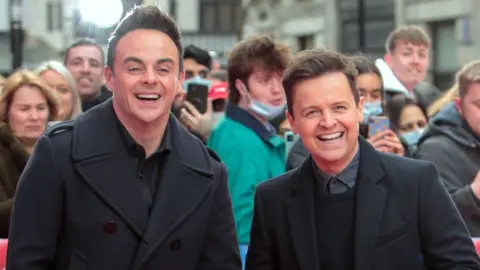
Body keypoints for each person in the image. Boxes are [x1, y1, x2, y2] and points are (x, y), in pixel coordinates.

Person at [7, 5, 241, 270]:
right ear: (110, 76)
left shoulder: (209, 171)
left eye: (163, 69)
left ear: (179, 80)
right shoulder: (58, 155)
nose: (150, 79)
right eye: (134, 68)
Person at [245, 48, 480, 270]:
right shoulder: (272, 199)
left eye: (339, 107)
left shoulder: (416, 182)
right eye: (312, 112)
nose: (328, 122)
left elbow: (461, 264)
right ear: (293, 121)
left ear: (359, 109)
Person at [208, 35, 290, 268]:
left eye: (280, 79)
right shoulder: (241, 140)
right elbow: (242, 223)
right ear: (241, 87)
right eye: (264, 81)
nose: (276, 90)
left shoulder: (247, 131)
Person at [415, 60, 480, 236]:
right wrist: (473, 194)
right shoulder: (436, 149)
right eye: (479, 105)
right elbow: (426, 217)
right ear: (459, 106)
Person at [0, 70, 59, 238]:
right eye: (24, 109)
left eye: (41, 108)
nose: (34, 117)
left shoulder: (64, 149)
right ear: (6, 111)